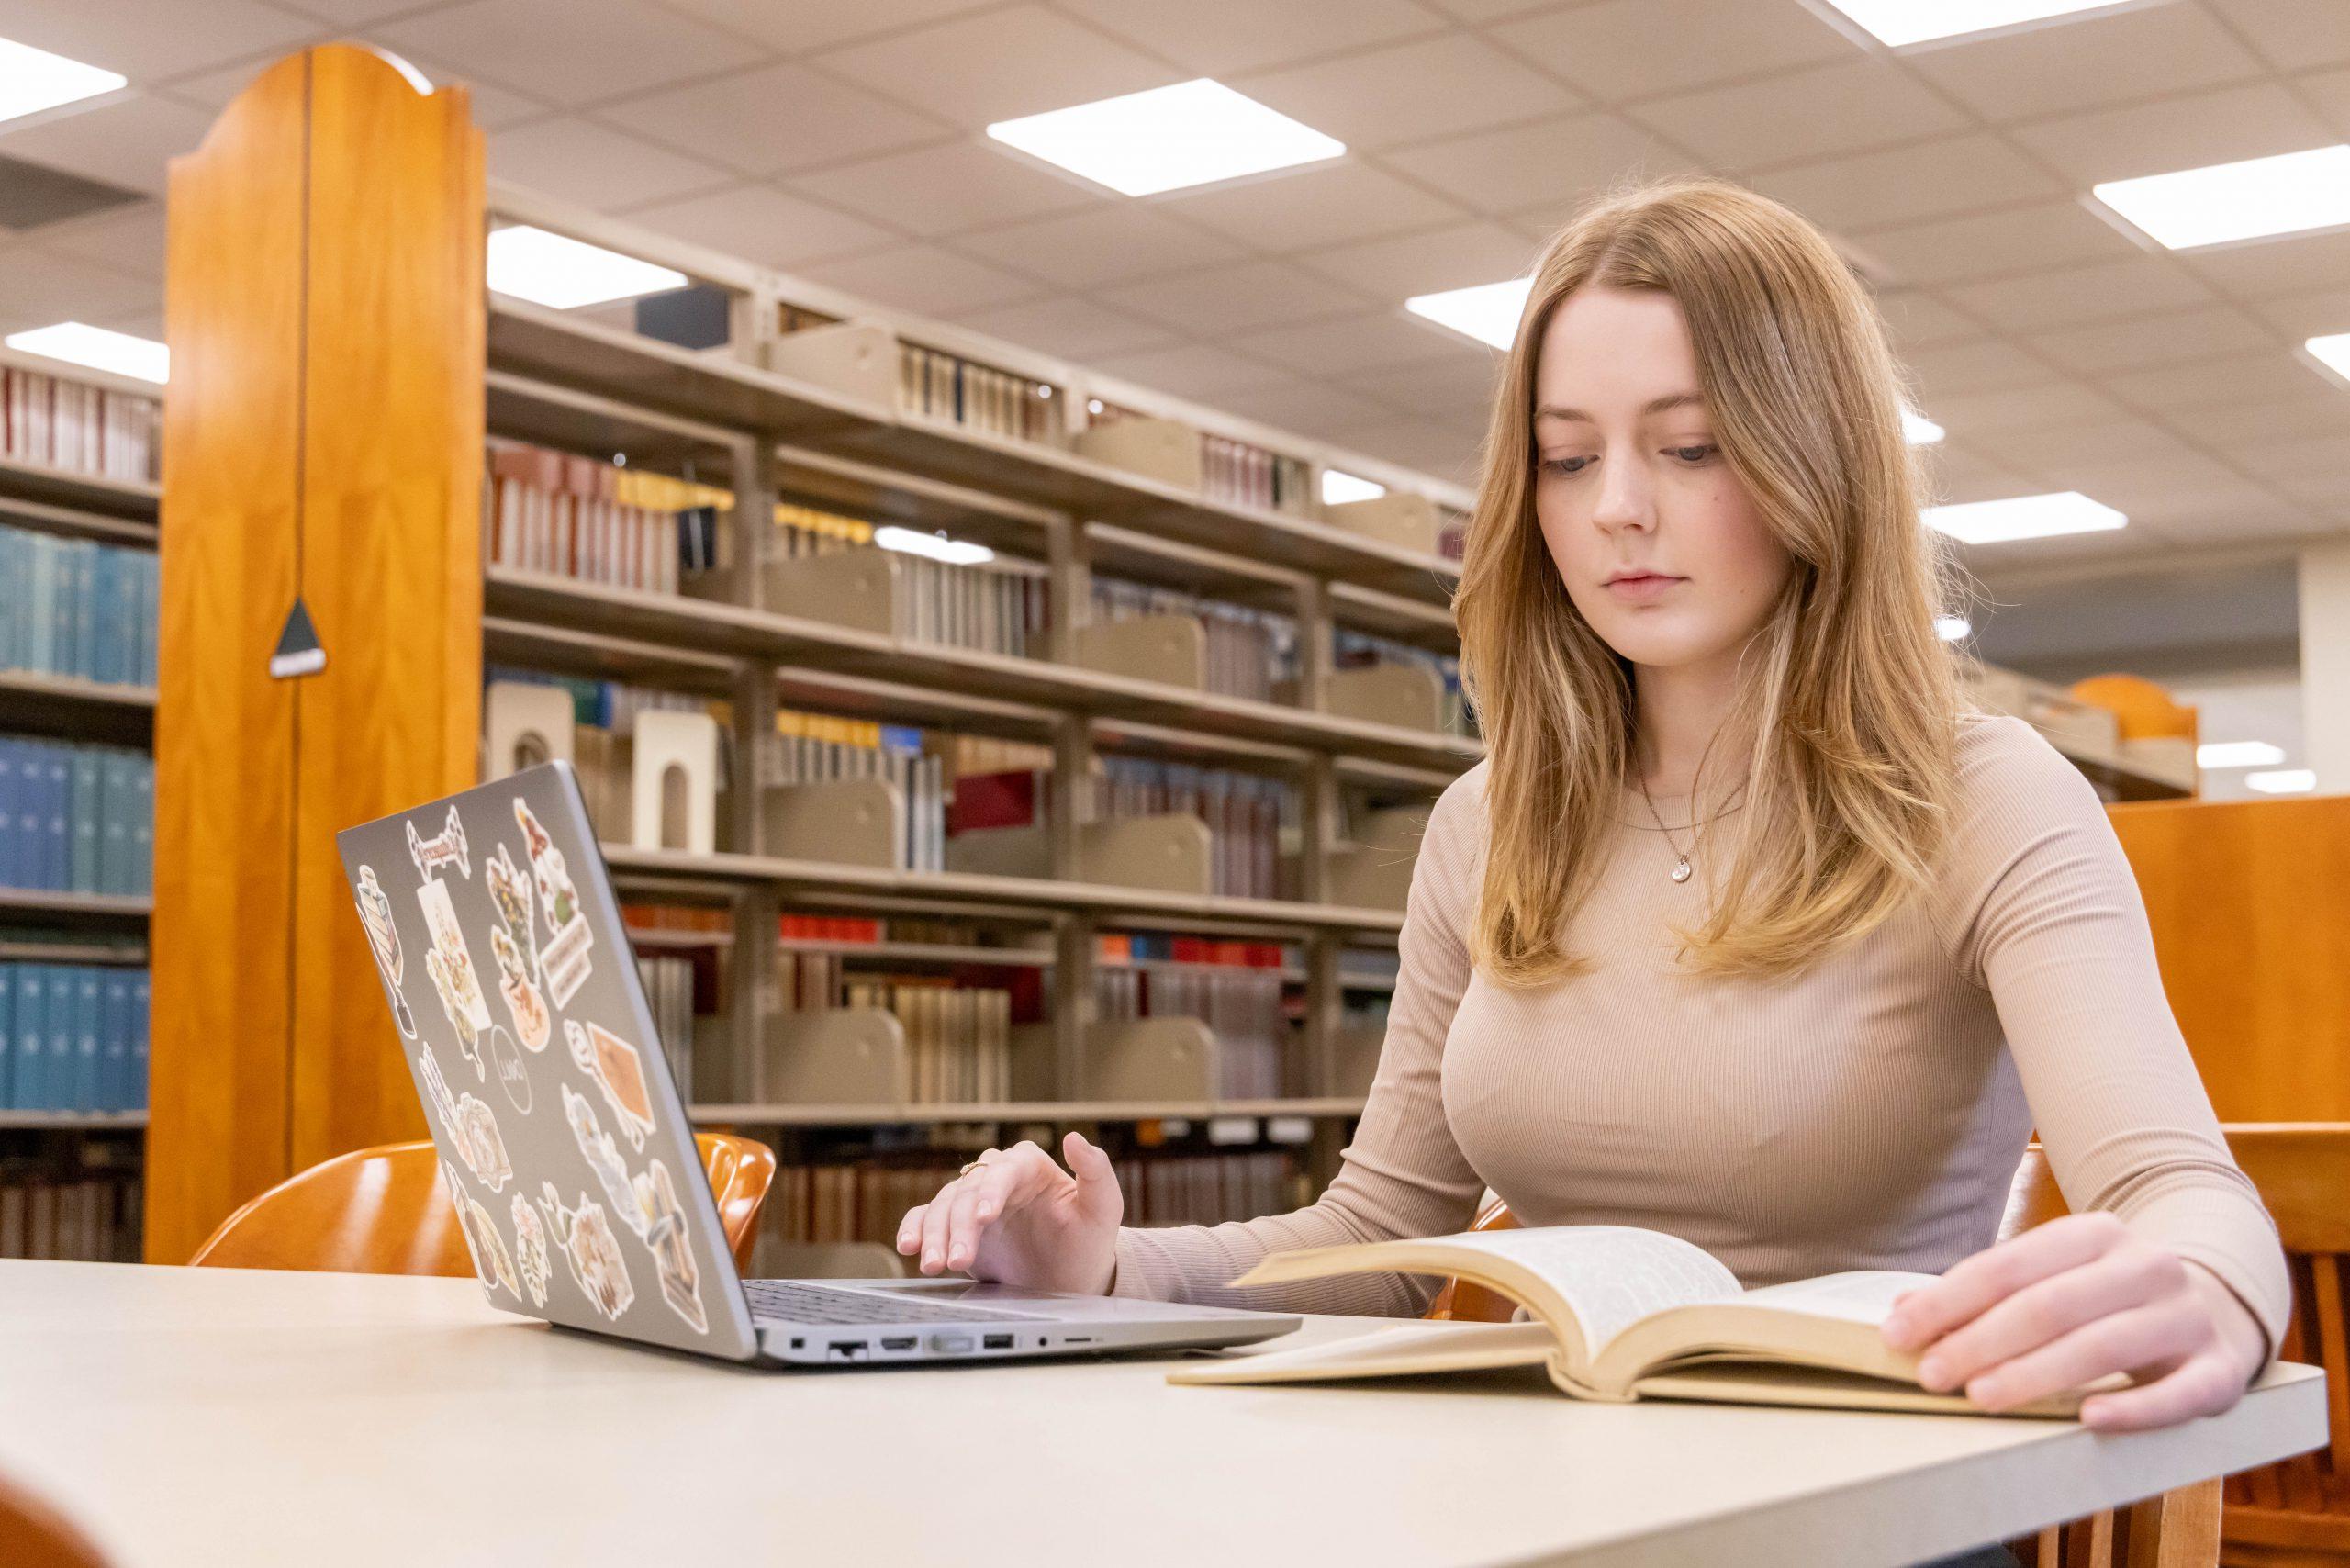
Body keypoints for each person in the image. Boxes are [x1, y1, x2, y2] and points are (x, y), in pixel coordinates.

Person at [893, 176, 2288, 1471]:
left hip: (1858, 1500)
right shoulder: (1485, 824)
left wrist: (2212, 1287)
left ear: (1817, 459)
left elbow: (2181, 1189)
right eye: (1568, 460)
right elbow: (1378, 1236)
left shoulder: (1988, 798)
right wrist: (1103, 1273)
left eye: (1690, 446)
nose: (1619, 509)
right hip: (1533, 1488)